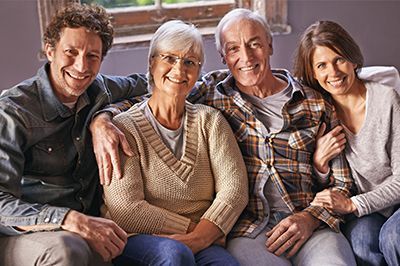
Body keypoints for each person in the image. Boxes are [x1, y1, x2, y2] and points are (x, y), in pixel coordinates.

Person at [91, 9, 357, 265]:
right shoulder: (214, 92)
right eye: (233, 49)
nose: (246, 56)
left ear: (270, 45)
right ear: (223, 57)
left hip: (308, 221)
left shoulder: (315, 102)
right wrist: (102, 120)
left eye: (254, 44)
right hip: (251, 228)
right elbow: (155, 97)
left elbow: (343, 184)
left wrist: (310, 217)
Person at [0, 3, 148, 266]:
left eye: (92, 56)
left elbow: (161, 83)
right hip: (28, 233)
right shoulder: (13, 111)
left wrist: (105, 116)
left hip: (89, 226)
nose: (81, 66)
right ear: (50, 51)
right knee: (68, 250)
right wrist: (67, 218)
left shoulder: (100, 90)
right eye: (71, 52)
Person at [101, 20, 248, 266]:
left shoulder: (209, 121)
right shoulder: (124, 127)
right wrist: (197, 231)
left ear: (198, 71)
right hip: (140, 238)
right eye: (169, 58)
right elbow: (126, 209)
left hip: (203, 237)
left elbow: (235, 189)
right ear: (152, 63)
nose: (179, 70)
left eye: (190, 62)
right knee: (174, 256)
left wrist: (200, 237)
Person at [293, 20, 400, 266]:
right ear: (312, 73)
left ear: (352, 59)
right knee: (361, 241)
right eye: (321, 65)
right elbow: (322, 186)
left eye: (339, 59)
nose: (333, 73)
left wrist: (353, 204)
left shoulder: (386, 100)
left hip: (387, 202)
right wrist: (319, 162)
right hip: (364, 211)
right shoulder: (318, 113)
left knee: (393, 236)